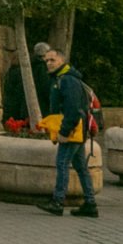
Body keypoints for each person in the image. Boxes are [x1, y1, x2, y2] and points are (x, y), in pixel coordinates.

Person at [32, 42, 99, 218]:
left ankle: (58, 201)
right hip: (77, 128)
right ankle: (90, 203)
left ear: (62, 60)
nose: (49, 63)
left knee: (62, 164)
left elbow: (72, 108)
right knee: (79, 166)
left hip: (73, 129)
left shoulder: (67, 80)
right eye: (46, 60)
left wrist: (64, 131)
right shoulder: (62, 78)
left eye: (52, 60)